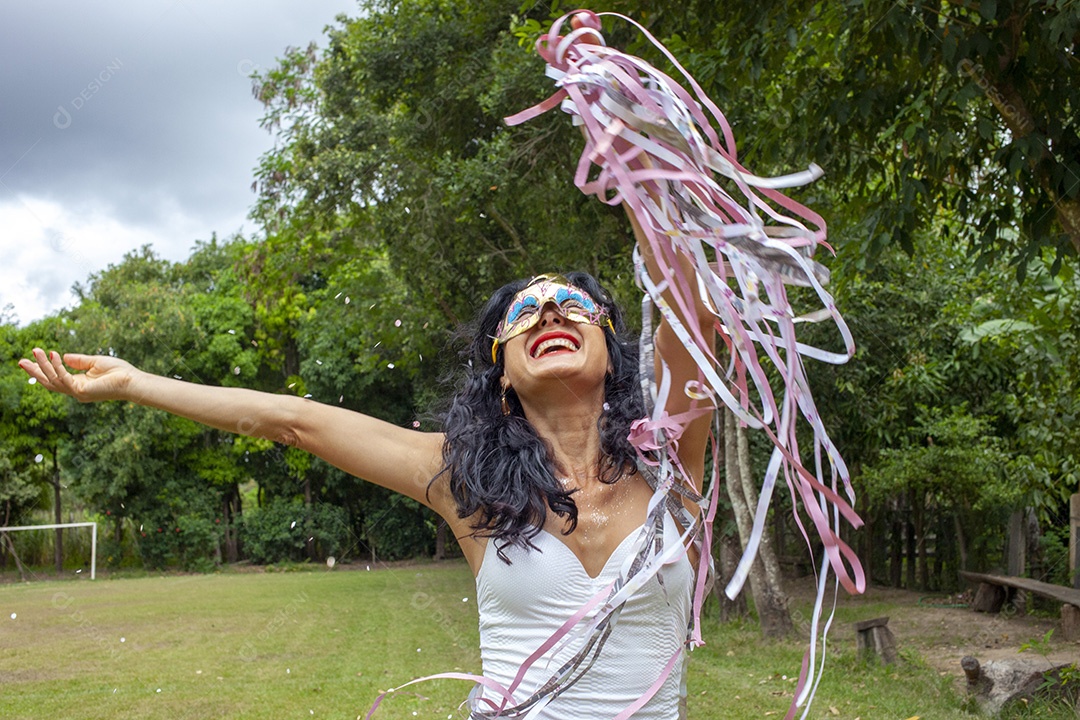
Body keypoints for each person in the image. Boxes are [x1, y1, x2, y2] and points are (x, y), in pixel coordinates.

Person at [20, 260, 715, 718]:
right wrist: (137, 383)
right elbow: (295, 422)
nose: (549, 313)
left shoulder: (671, 461)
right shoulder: (464, 481)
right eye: (524, 312)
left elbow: (691, 320)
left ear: (610, 347)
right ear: (501, 371)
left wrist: (640, 158)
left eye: (572, 304)